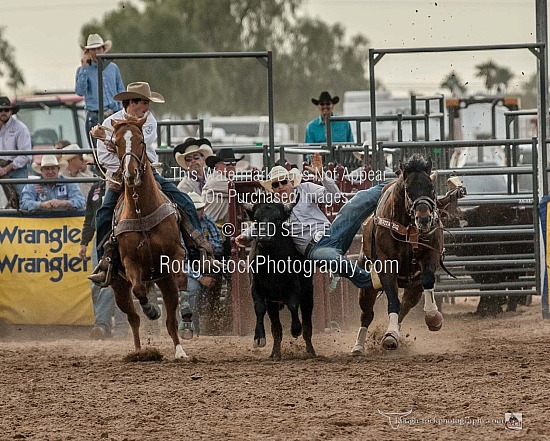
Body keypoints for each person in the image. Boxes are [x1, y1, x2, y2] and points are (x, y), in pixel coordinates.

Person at [88, 82, 212, 286]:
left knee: (184, 201)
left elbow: (140, 140)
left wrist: (108, 138)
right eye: (144, 102)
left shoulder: (146, 121)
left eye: (147, 102)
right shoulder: (109, 122)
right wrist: (123, 165)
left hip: (147, 172)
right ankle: (106, 262)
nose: (148, 107)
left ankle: (198, 251)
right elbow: (104, 157)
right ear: (132, 102)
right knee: (103, 214)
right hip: (119, 176)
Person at [236, 156, 381, 289]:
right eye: (275, 184)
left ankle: (390, 186)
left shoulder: (305, 189)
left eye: (283, 182)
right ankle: (373, 280)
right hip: (315, 248)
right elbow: (262, 225)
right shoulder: (274, 208)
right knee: (335, 260)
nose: (280, 186)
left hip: (333, 232)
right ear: (273, 189)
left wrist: (322, 174)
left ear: (291, 182)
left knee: (358, 200)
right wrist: (246, 235)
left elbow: (334, 197)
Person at [79, 170, 128, 340]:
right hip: (100, 238)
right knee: (99, 282)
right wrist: (84, 241)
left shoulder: (123, 188)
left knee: (116, 281)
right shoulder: (96, 189)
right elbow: (89, 217)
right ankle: (106, 325)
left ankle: (105, 325)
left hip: (120, 237)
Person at [178, 191, 223, 339]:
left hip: (206, 263)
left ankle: (212, 322)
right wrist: (200, 277)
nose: (199, 212)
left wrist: (206, 249)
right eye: (196, 209)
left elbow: (218, 245)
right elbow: (182, 260)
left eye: (200, 209)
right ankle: (193, 325)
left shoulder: (208, 221)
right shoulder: (180, 226)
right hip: (186, 269)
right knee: (193, 289)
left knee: (218, 281)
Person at [75, 33, 125, 147]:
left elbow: (120, 90)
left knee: (117, 149)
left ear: (103, 49)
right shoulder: (83, 70)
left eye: (98, 48)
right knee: (98, 152)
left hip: (114, 114)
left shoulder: (113, 68)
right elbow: (80, 91)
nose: (96, 51)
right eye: (93, 49)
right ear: (88, 52)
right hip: (95, 116)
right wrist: (84, 68)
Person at [20, 155, 85, 212]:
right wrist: (42, 205)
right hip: (41, 221)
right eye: (47, 169)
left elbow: (80, 201)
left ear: (58, 169)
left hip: (65, 220)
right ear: (41, 171)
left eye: (53, 168)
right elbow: (24, 203)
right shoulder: (33, 185)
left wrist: (63, 203)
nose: (50, 171)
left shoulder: (68, 183)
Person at [0, 96, 31, 207]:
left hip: (16, 169)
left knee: (23, 197)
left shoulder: (20, 128)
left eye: (6, 110)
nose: (3, 112)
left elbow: (26, 154)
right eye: (0, 110)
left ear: (11, 111)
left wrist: (6, 169)